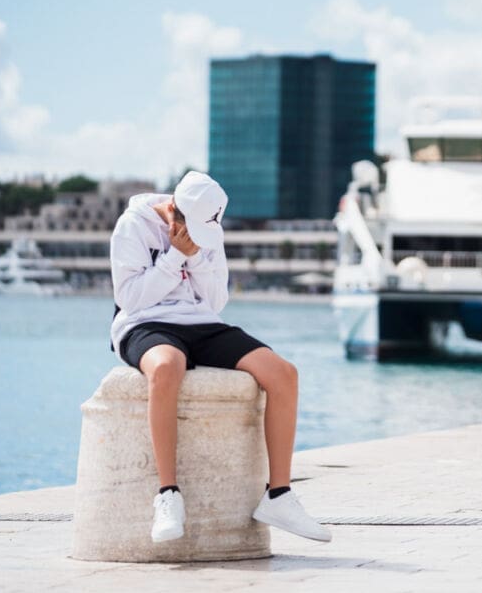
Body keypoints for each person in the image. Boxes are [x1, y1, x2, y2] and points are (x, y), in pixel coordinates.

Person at [110, 171, 331, 544]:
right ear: (174, 211)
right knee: (166, 367)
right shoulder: (133, 226)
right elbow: (131, 299)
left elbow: (215, 301)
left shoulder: (208, 227)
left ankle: (279, 496)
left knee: (283, 374)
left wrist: (194, 257)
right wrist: (174, 256)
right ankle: (168, 495)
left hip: (202, 322)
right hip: (145, 324)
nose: (199, 237)